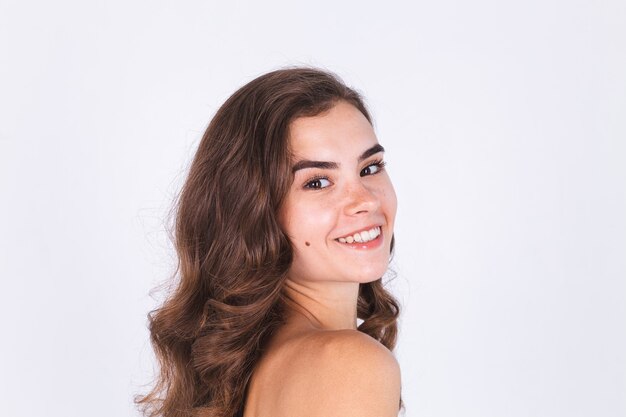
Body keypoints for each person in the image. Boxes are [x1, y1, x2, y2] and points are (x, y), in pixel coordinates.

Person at [136, 67, 402, 417]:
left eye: (370, 168)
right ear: (254, 213)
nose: (365, 200)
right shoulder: (350, 363)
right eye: (318, 182)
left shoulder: (259, 368)